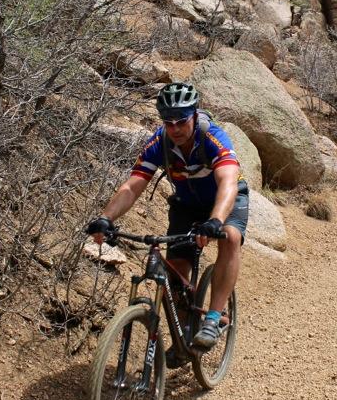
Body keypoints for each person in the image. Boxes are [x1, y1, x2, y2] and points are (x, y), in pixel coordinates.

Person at [87, 82, 249, 352]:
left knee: (230, 237)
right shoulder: (159, 142)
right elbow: (132, 185)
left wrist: (216, 221)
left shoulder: (212, 137)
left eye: (181, 121)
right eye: (168, 122)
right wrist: (106, 218)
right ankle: (183, 338)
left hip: (226, 199)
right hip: (187, 204)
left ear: (194, 115)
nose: (175, 129)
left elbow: (228, 182)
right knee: (175, 272)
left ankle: (212, 318)